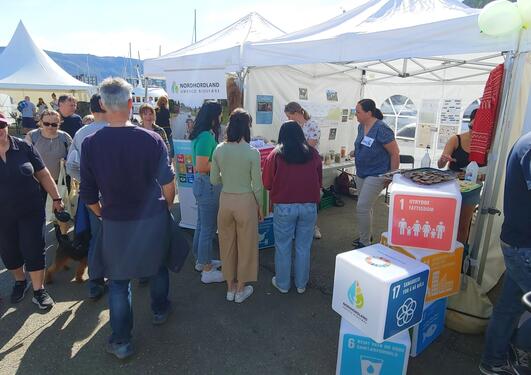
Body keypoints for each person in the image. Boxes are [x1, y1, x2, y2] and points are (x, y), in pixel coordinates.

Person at [80, 78, 175, 359]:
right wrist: (165, 209)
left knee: (119, 282)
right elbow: (168, 184)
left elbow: (87, 194)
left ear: (102, 105)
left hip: (116, 220)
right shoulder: (152, 139)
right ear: (131, 103)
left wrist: (103, 214)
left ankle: (121, 341)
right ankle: (159, 310)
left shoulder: (91, 143)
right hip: (151, 218)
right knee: (158, 266)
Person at [479, 131, 531, 375]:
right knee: (511, 307)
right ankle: (515, 351)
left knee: (510, 306)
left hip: (520, 244)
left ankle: (494, 360)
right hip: (524, 247)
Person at [0, 112, 63, 309]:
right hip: (2, 214)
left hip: (31, 209)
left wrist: (56, 198)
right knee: (9, 251)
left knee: (34, 248)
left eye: (1, 126)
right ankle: (20, 282)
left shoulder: (24, 146)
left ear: (7, 126)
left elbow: (43, 174)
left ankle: (39, 290)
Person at [263, 121, 322, 294]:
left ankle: (282, 284)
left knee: (283, 246)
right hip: (309, 206)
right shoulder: (312, 153)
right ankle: (301, 284)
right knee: (304, 246)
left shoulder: (275, 154)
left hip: (284, 207)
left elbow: (266, 182)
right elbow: (319, 180)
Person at [211, 108, 262, 303]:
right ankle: (241, 289)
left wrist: (228, 174)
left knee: (227, 245)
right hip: (245, 202)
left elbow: (214, 179)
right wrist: (260, 207)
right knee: (247, 246)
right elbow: (257, 186)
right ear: (247, 127)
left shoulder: (219, 149)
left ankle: (230, 287)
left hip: (225, 201)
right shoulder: (252, 152)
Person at [66, 94, 108, 300]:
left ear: (92, 110)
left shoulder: (82, 133)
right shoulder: (122, 127)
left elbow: (71, 165)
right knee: (128, 234)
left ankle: (95, 283)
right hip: (123, 195)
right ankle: (139, 274)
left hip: (93, 196)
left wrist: (86, 180)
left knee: (97, 238)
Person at [351, 99, 400, 249]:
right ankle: (366, 234)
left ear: (368, 113)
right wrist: (356, 152)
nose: (356, 115)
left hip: (377, 173)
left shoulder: (381, 129)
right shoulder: (361, 126)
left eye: (358, 112)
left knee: (362, 207)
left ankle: (365, 243)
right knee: (366, 207)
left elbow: (395, 153)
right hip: (362, 172)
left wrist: (391, 175)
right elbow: (363, 144)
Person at [190, 101, 224, 283]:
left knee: (203, 224)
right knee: (208, 229)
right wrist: (221, 163)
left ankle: (202, 260)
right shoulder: (204, 136)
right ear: (213, 116)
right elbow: (202, 166)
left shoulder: (203, 134)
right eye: (219, 114)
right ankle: (207, 269)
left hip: (204, 185)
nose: (220, 117)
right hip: (208, 185)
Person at [438, 109, 481, 246]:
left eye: (478, 128)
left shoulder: (486, 145)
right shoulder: (456, 139)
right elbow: (440, 165)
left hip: (472, 189)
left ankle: (460, 255)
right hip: (452, 186)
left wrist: (477, 174)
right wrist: (444, 159)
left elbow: (490, 172)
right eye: (471, 127)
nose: (473, 131)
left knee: (463, 226)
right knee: (446, 222)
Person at [284, 101, 323, 240]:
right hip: (295, 166)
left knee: (311, 197)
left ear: (296, 113)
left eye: (289, 116)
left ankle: (314, 226)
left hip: (309, 166)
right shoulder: (294, 126)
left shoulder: (313, 125)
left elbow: (310, 146)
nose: (288, 119)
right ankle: (297, 227)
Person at [25, 109, 72, 204]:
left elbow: (73, 156)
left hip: (60, 182)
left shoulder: (65, 137)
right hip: (37, 182)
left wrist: (68, 161)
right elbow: (25, 157)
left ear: (59, 124)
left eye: (54, 124)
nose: (50, 126)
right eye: (46, 123)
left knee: (59, 211)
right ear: (41, 122)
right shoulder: (32, 135)